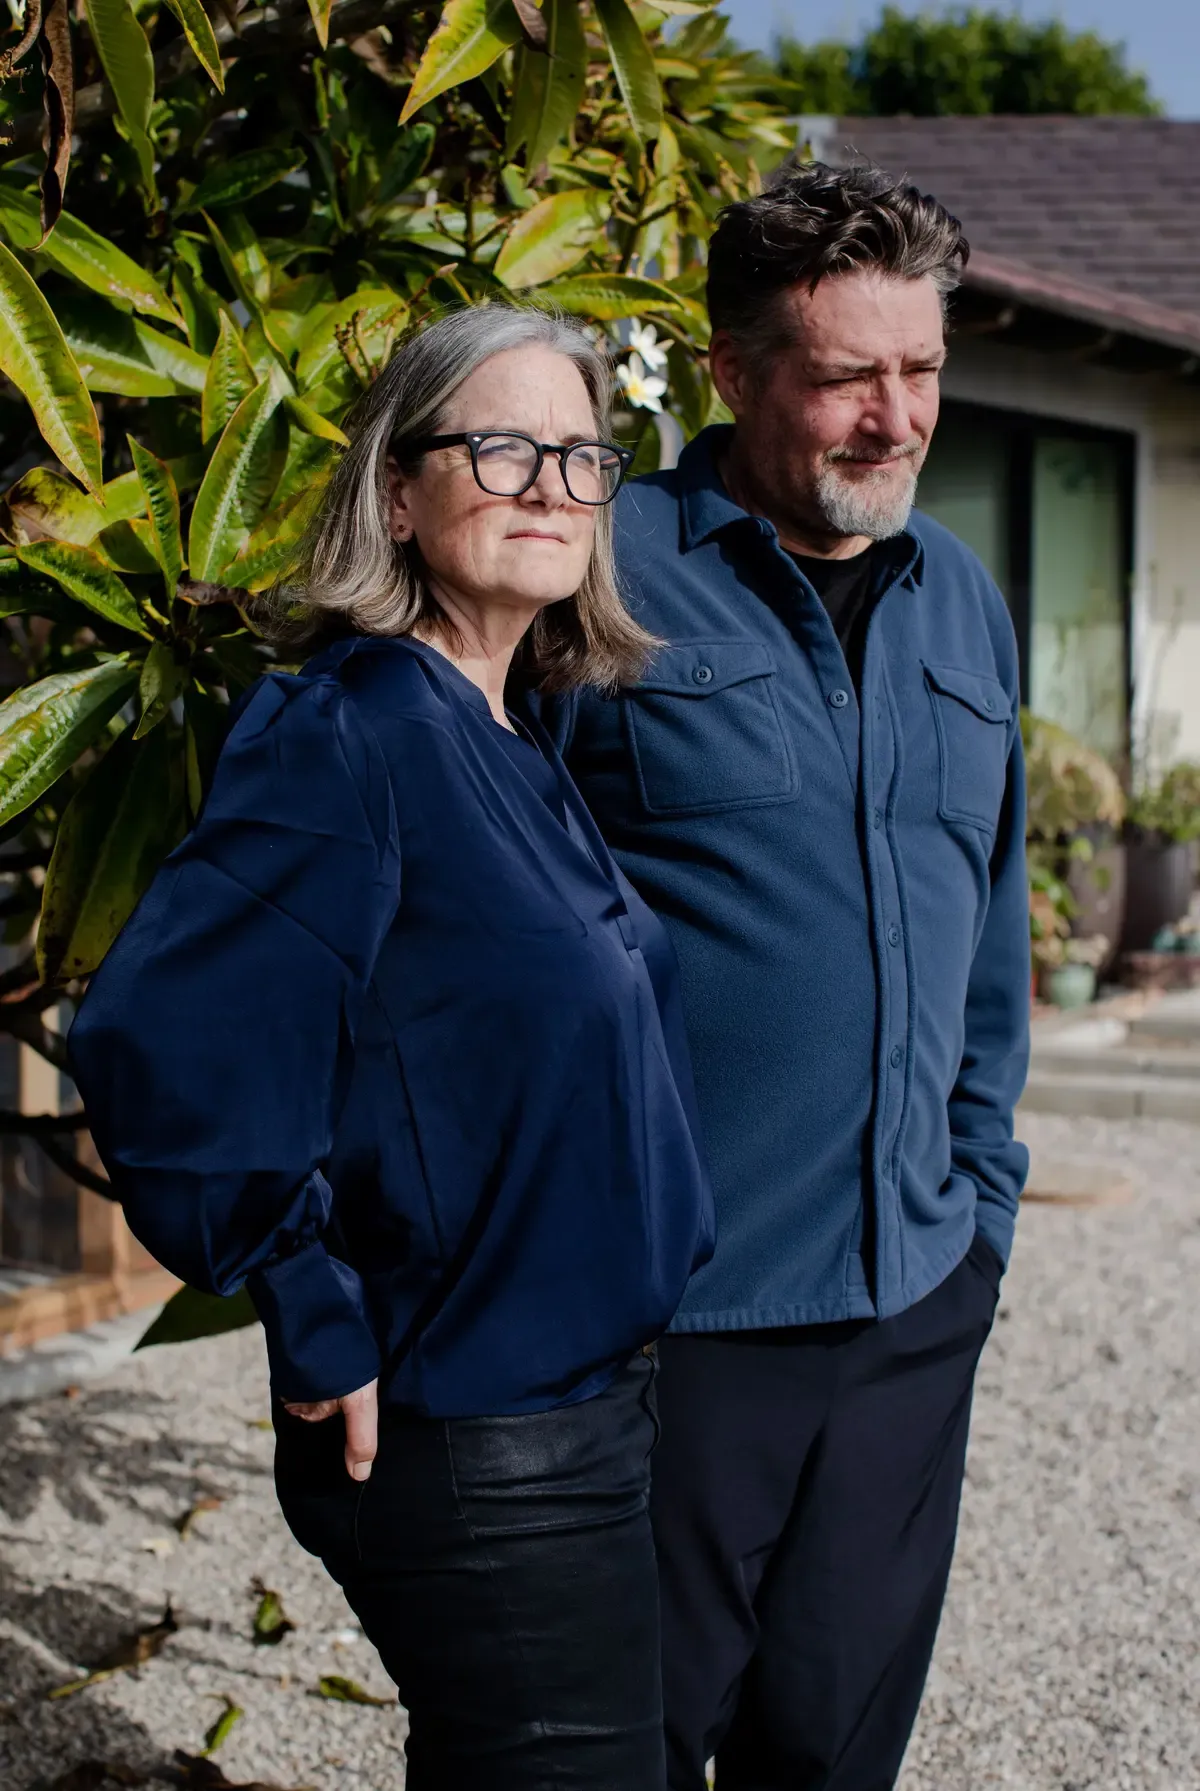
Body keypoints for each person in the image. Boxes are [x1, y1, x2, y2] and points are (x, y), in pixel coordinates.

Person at [69, 304, 714, 1791]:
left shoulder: (513, 734)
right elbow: (163, 1030)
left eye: (579, 452)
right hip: (470, 1434)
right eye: (501, 447)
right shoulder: (346, 730)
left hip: (589, 1405)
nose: (552, 484)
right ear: (401, 493)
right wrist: (304, 1289)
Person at [550, 161, 1031, 1790]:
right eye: (845, 377)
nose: (894, 418)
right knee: (614, 1748)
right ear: (735, 373)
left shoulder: (964, 600)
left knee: (832, 1755)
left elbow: (993, 935)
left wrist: (981, 1211)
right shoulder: (596, 579)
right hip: (670, 1329)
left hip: (912, 1311)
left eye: (923, 371)